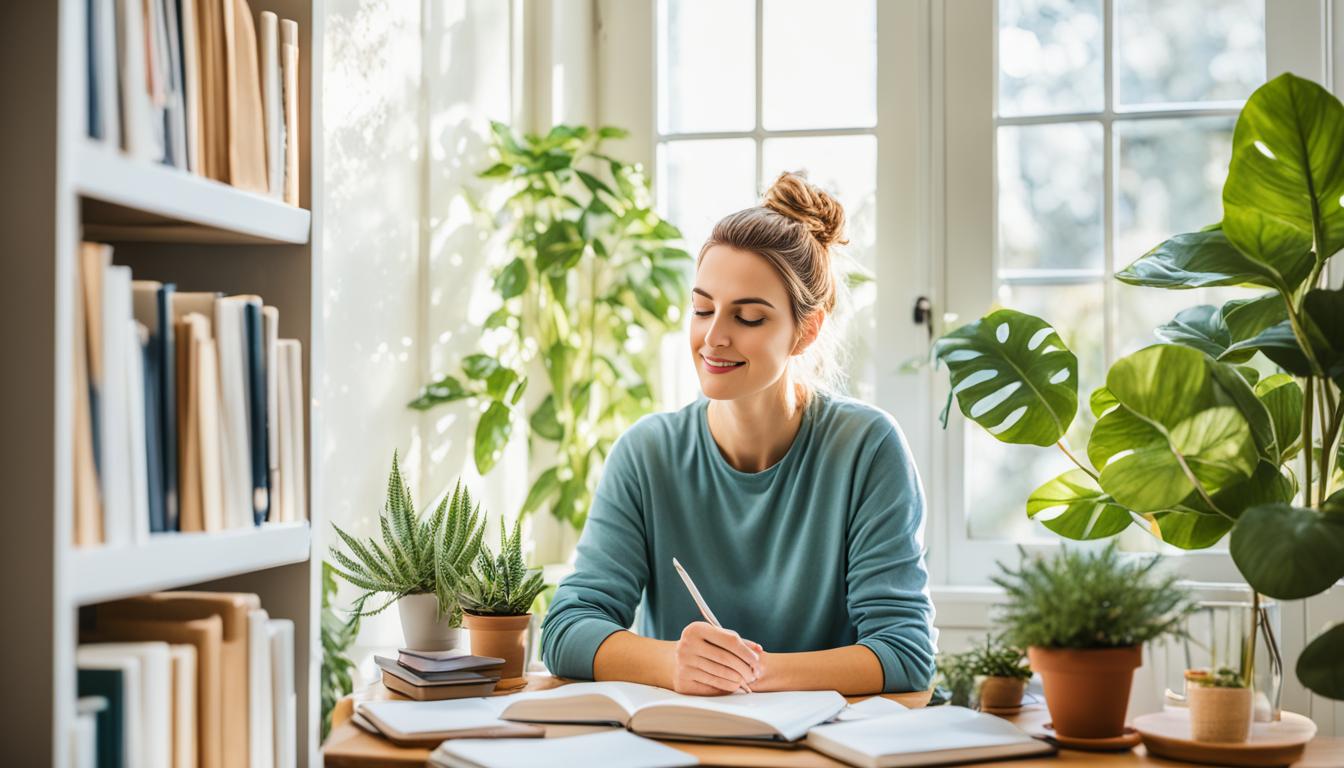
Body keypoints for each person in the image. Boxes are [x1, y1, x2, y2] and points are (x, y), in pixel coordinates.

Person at [540, 172, 936, 695]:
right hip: (684, 745)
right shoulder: (647, 453)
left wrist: (752, 672)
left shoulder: (866, 449)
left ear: (806, 330)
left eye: (748, 317)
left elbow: (905, 651)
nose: (714, 337)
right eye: (703, 309)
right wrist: (671, 664)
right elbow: (565, 629)